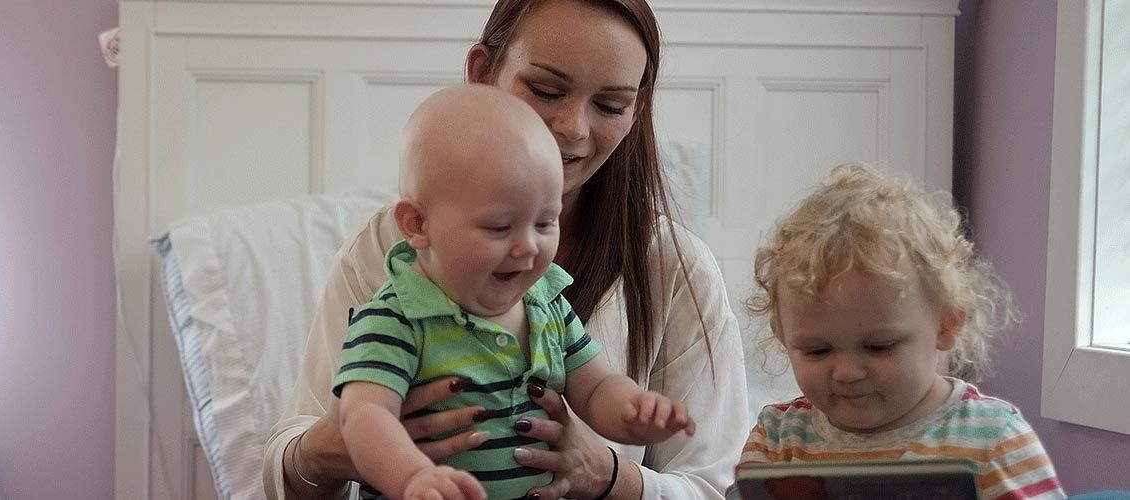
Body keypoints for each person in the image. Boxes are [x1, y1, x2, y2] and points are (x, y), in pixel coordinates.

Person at [262, 0, 751, 498]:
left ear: (637, 109)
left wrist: (608, 469)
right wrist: (345, 448)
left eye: (610, 105)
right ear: (482, 71)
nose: (573, 128)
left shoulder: (659, 272)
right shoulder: (392, 266)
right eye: (545, 90)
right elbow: (298, 457)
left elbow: (707, 481)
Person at [335, 84, 695, 500]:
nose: (528, 247)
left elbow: (596, 388)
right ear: (417, 224)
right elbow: (364, 417)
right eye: (499, 227)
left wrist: (633, 410)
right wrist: (413, 477)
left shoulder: (548, 305)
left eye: (545, 223)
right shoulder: (395, 320)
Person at [738, 163, 1065, 499]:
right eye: (816, 350)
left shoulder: (994, 440)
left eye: (879, 346)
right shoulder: (777, 440)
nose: (847, 372)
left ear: (946, 324)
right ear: (782, 337)